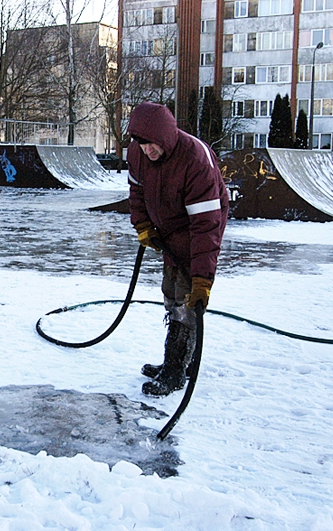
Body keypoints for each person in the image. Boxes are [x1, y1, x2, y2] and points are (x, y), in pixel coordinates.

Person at [126, 102, 229, 396]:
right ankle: (174, 362)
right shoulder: (138, 153)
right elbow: (136, 192)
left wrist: (203, 281)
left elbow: (206, 226)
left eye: (152, 144)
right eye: (142, 144)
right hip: (168, 228)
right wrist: (144, 226)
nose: (148, 151)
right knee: (170, 291)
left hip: (197, 227)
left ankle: (175, 371)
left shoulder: (194, 159)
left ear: (166, 137)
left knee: (188, 298)